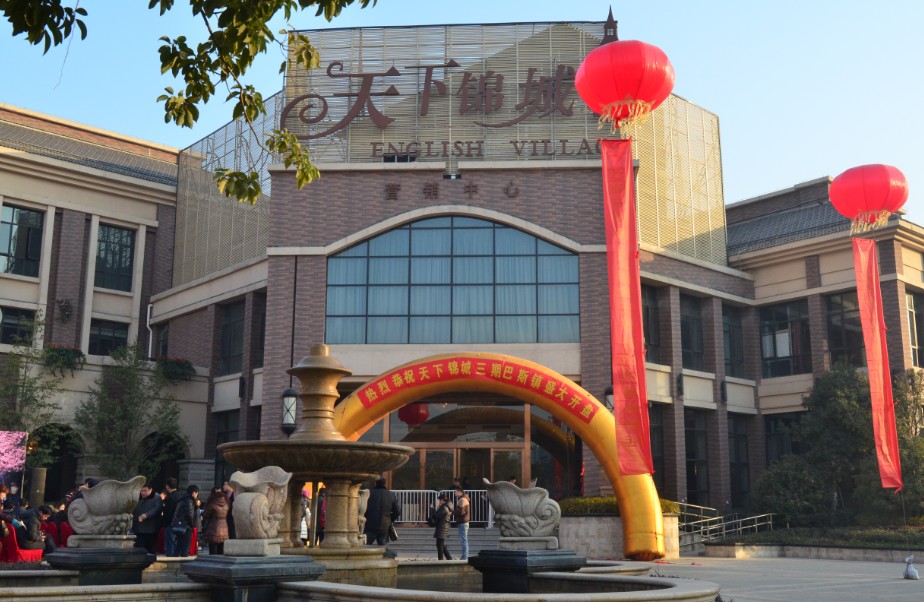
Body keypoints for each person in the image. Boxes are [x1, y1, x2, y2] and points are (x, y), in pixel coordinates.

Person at [363, 477, 400, 545]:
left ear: (375, 483)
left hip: (370, 524)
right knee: (383, 548)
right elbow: (397, 512)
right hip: (384, 526)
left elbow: (363, 508)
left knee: (366, 546)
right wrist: (390, 519)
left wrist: (366, 517)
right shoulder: (391, 494)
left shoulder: (369, 493)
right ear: (385, 483)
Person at [132, 480, 163, 554]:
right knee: (139, 548)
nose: (143, 492)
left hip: (151, 528)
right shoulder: (138, 497)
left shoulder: (156, 497)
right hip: (138, 528)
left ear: (150, 490)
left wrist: (147, 515)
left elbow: (157, 509)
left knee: (150, 549)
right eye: (141, 491)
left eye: (145, 491)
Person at [169, 484, 197, 558]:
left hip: (180, 525)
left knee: (179, 544)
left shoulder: (182, 498)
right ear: (194, 493)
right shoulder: (189, 500)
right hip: (186, 526)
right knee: (185, 545)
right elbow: (189, 514)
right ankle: (184, 561)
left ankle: (175, 560)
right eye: (196, 493)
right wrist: (192, 525)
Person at [202, 487, 230, 555]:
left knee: (213, 552)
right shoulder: (226, 503)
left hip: (213, 528)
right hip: (224, 529)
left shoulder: (212, 503)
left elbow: (206, 515)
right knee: (221, 552)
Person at [161, 478, 184, 556]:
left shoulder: (170, 498)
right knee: (178, 543)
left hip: (170, 523)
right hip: (181, 523)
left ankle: (171, 559)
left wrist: (164, 522)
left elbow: (168, 512)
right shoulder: (182, 495)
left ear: (167, 486)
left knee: (170, 543)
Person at [427, 493, 453, 560]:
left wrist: (432, 509)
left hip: (442, 527)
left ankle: (440, 560)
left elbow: (436, 516)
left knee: (439, 545)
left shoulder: (444, 507)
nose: (438, 502)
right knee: (441, 544)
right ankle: (449, 558)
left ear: (442, 500)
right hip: (443, 526)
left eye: (439, 500)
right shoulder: (447, 506)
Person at [452, 485, 471, 560]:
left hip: (463, 522)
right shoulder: (464, 499)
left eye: (456, 491)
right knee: (464, 539)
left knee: (463, 540)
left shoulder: (462, 500)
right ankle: (465, 556)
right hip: (464, 522)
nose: (454, 493)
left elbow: (461, 512)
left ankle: (464, 556)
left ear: (459, 492)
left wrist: (454, 512)